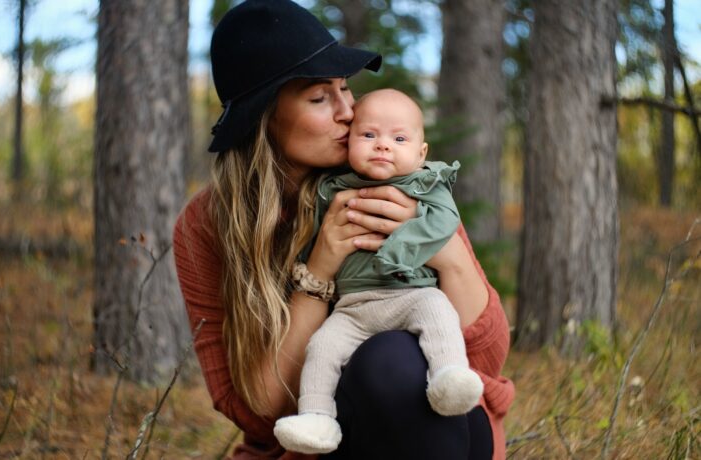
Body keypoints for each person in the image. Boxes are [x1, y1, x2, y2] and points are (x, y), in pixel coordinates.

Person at [172, 1, 514, 459]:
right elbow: (257, 413)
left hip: (448, 429)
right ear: (264, 119)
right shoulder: (209, 225)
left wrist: (443, 247)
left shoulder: (397, 177)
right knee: (383, 362)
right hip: (322, 444)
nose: (349, 112)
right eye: (319, 97)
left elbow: (486, 361)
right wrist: (319, 272)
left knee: (394, 359)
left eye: (345, 89)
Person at [273, 89, 483, 455]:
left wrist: (405, 240)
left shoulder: (425, 185)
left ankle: (448, 376)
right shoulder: (332, 187)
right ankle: (317, 416)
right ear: (349, 142)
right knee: (322, 346)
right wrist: (314, 266)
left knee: (437, 310)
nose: (383, 146)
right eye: (369, 136)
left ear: (421, 153)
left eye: (398, 139)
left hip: (410, 295)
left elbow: (445, 222)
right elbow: (309, 236)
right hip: (353, 307)